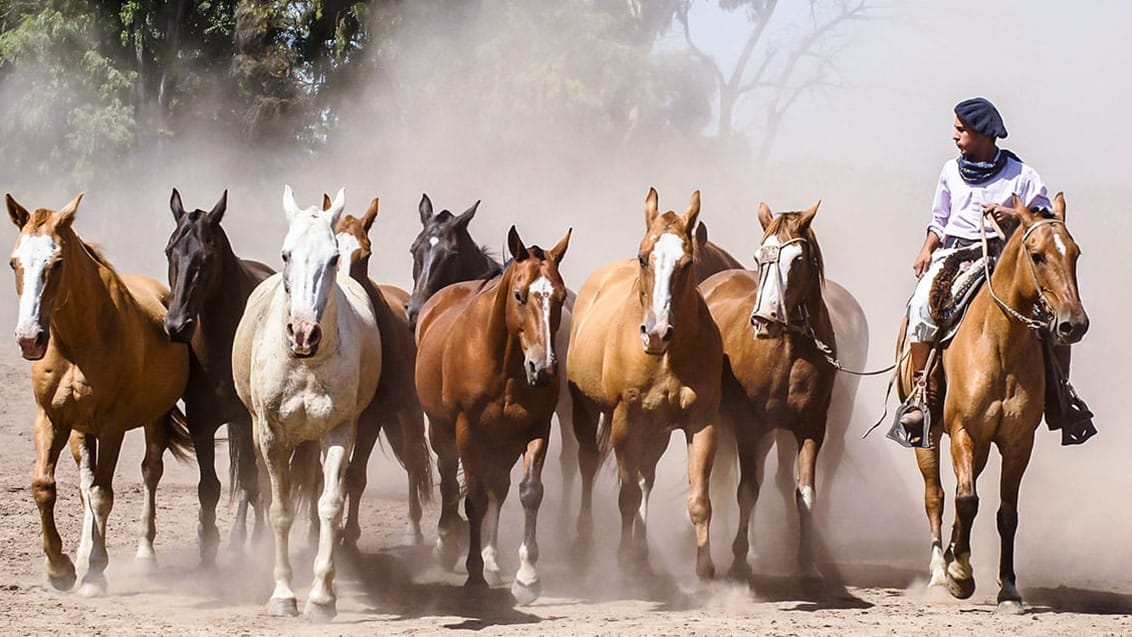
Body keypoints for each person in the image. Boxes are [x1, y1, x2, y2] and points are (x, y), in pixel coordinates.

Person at [891, 97, 1093, 448]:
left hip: (1006, 257)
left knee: (1052, 317)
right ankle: (922, 396)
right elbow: (939, 219)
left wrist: (1013, 216)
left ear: (981, 133)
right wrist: (927, 249)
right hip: (956, 253)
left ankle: (1061, 397)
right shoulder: (950, 171)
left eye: (960, 129)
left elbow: (1046, 223)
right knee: (922, 306)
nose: (954, 136)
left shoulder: (1023, 175)